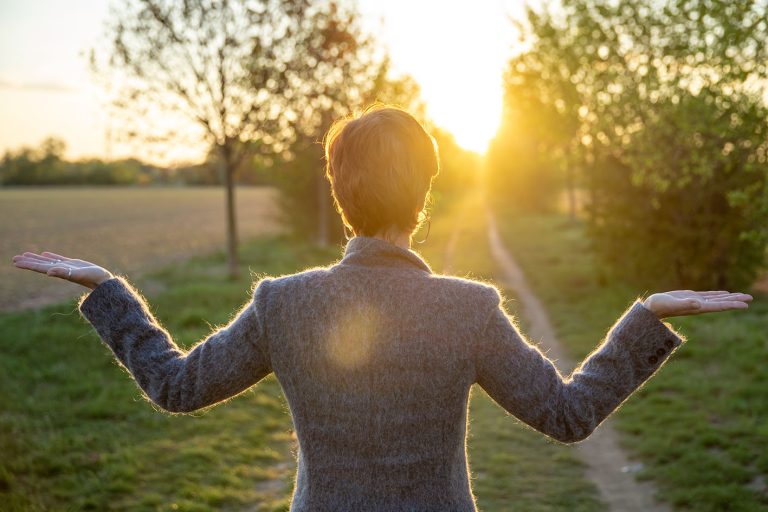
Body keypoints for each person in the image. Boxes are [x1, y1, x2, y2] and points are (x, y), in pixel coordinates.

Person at [12, 103, 752, 511]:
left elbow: (175, 387)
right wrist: (646, 316)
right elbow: (566, 416)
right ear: (425, 198)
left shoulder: (282, 303)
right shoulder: (468, 308)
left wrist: (108, 291)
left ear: (339, 193)